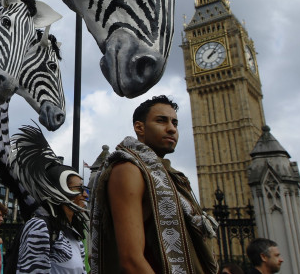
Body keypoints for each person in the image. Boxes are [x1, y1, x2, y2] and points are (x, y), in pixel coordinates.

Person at [90, 95, 218, 273]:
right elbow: (131, 260)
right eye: (161, 121)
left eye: (175, 123)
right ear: (139, 127)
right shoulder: (129, 169)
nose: (172, 129)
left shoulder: (168, 176)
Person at [9, 125, 88, 274]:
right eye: (79, 189)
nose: (85, 195)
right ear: (59, 191)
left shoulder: (75, 235)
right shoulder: (40, 227)